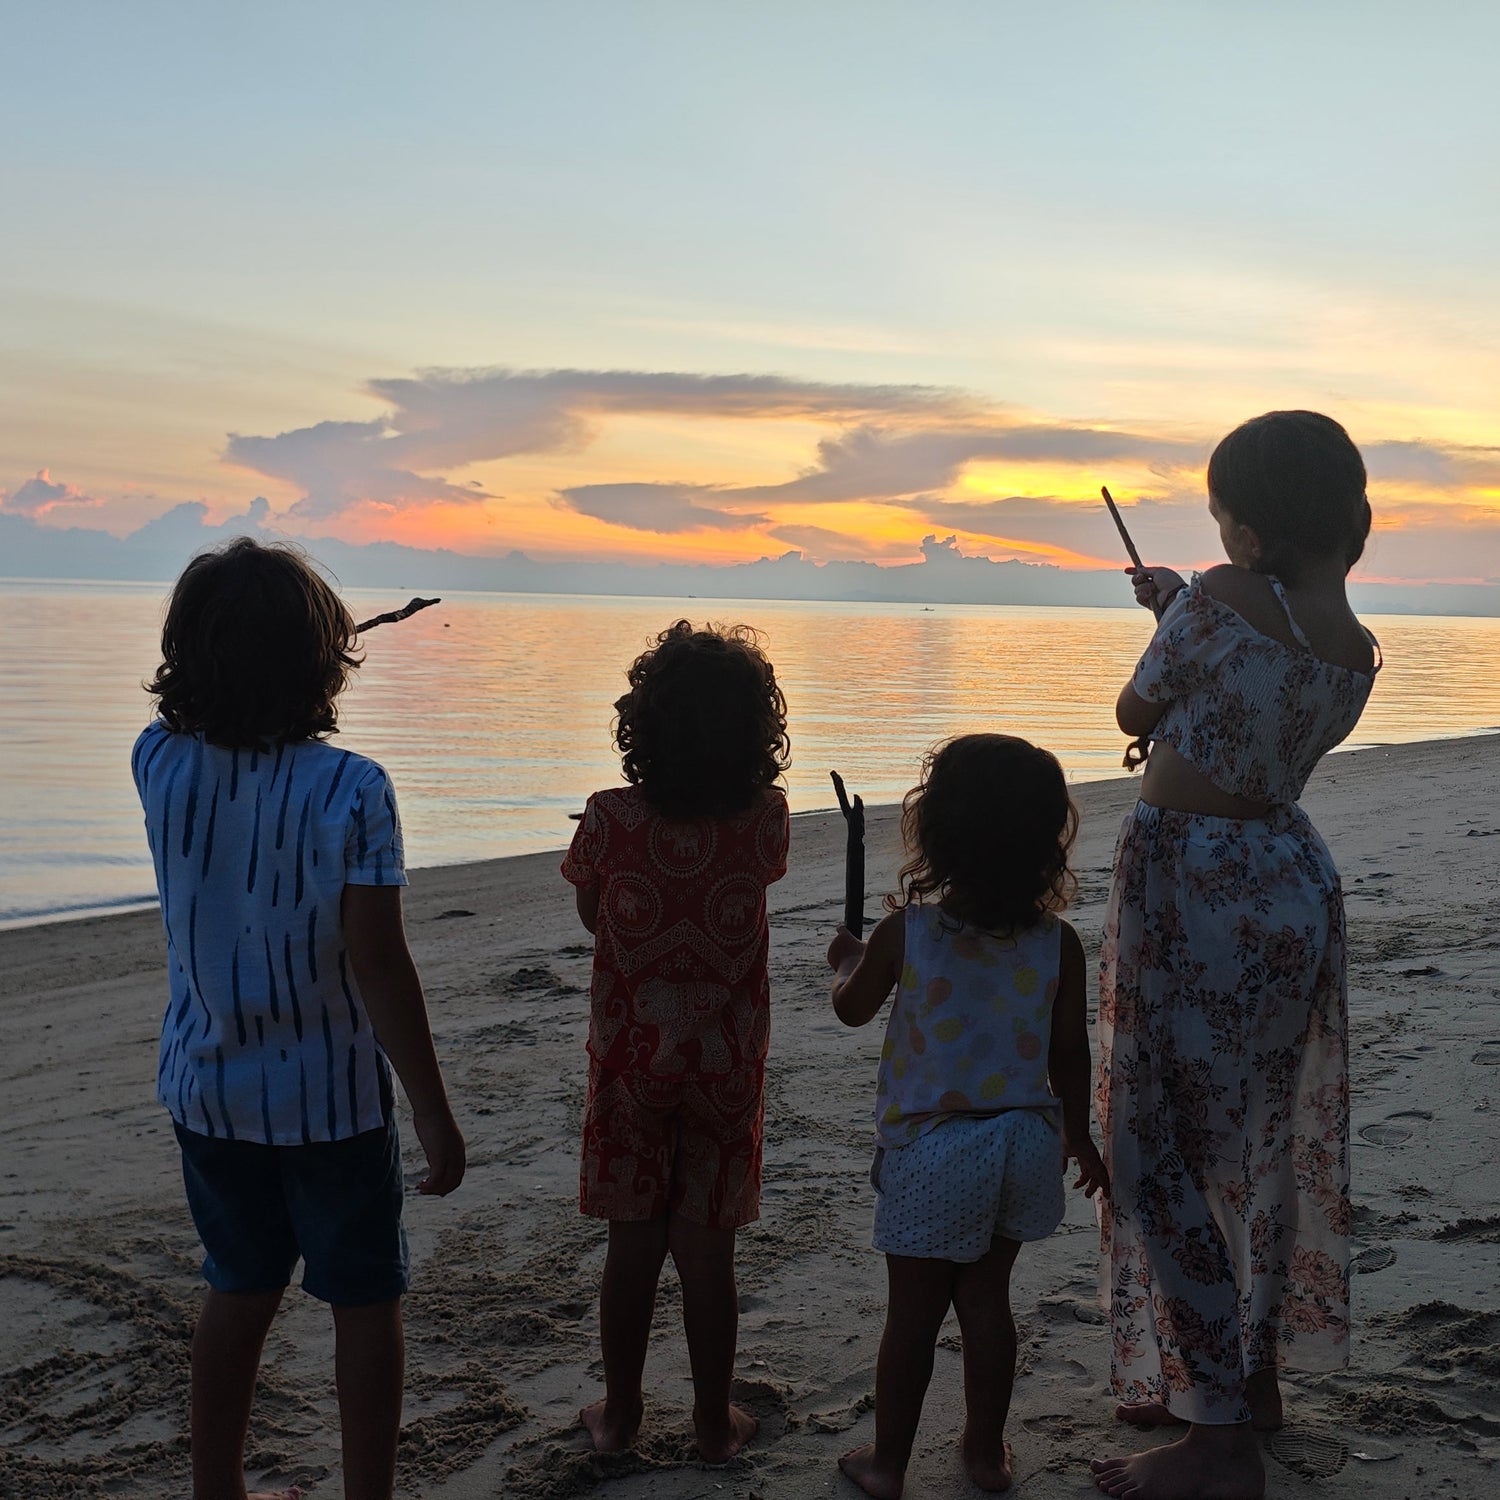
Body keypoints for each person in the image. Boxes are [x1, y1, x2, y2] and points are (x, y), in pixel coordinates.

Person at [132, 538, 465, 1500]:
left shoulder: (156, 760)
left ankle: (217, 1490)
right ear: (325, 666)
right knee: (363, 1301)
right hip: (331, 1104)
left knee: (237, 1288)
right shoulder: (354, 789)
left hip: (208, 1088)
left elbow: (193, 722)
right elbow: (377, 962)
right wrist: (434, 1110)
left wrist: (249, 666)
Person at [1090, 411, 1379, 1500]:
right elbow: (1255, 701)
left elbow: (1135, 706)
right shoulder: (1352, 642)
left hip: (1189, 887)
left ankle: (1217, 1440)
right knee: (1255, 1146)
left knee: (1157, 1148)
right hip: (1287, 881)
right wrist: (1187, 611)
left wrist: (1177, 610)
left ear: (1248, 528)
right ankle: (1247, 1381)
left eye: (1222, 518)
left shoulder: (1215, 600)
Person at [827, 734, 1110, 1500]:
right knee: (987, 1305)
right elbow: (1070, 1055)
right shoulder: (1059, 945)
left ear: (939, 832)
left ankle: (888, 1466)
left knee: (913, 1318)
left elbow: (852, 1011)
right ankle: (984, 1457)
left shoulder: (908, 932)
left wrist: (846, 960)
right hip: (1024, 1143)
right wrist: (1078, 1134)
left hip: (931, 1154)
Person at [561, 619, 790, 1463]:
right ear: (756, 732)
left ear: (641, 724)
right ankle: (708, 1422)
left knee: (632, 1241)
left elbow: (593, 917)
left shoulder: (609, 818)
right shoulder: (766, 819)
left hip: (629, 1060)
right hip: (726, 1065)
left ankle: (619, 1417)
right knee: (706, 1247)